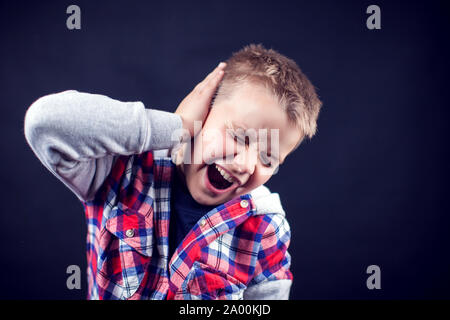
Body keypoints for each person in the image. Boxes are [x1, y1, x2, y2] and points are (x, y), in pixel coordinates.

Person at [24, 44, 322, 300]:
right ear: (203, 113)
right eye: (239, 136)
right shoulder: (123, 172)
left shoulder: (266, 227)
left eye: (268, 158)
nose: (246, 164)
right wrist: (177, 126)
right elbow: (44, 122)